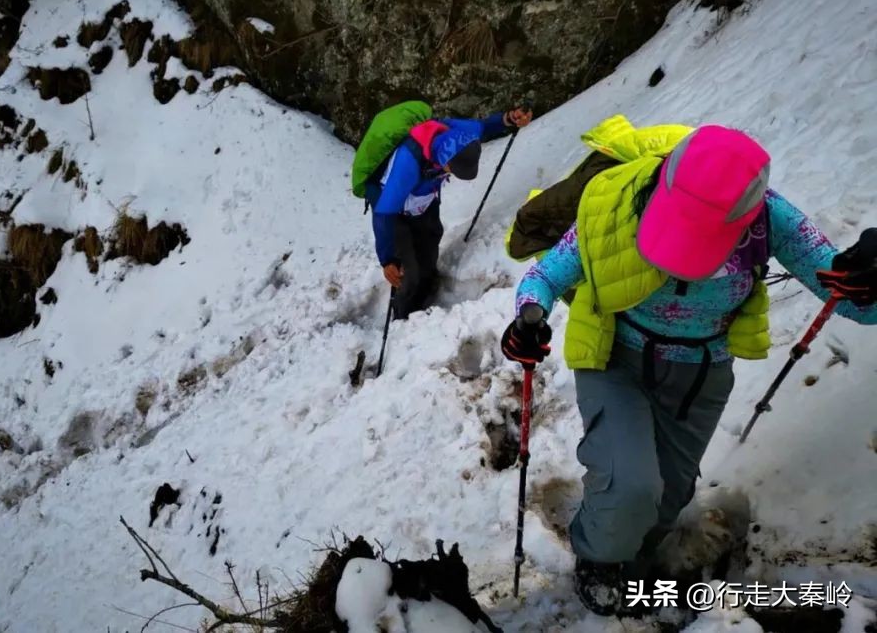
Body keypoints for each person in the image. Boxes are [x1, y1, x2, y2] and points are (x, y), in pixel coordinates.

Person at [498, 124, 877, 616]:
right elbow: (546, 274)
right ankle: (597, 555)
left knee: (671, 494)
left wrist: (867, 282)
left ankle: (632, 554)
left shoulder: (769, 218)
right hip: (615, 358)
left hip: (702, 373)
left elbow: (848, 301)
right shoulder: (616, 199)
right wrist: (529, 318)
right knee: (632, 485)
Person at [366, 105, 532, 319]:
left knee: (429, 254)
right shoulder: (407, 164)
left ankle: (425, 300)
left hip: (425, 202)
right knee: (409, 272)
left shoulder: (463, 134)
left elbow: (484, 127)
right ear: (443, 161)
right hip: (397, 214)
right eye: (451, 170)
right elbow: (384, 214)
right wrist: (387, 260)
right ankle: (403, 315)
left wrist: (509, 118)